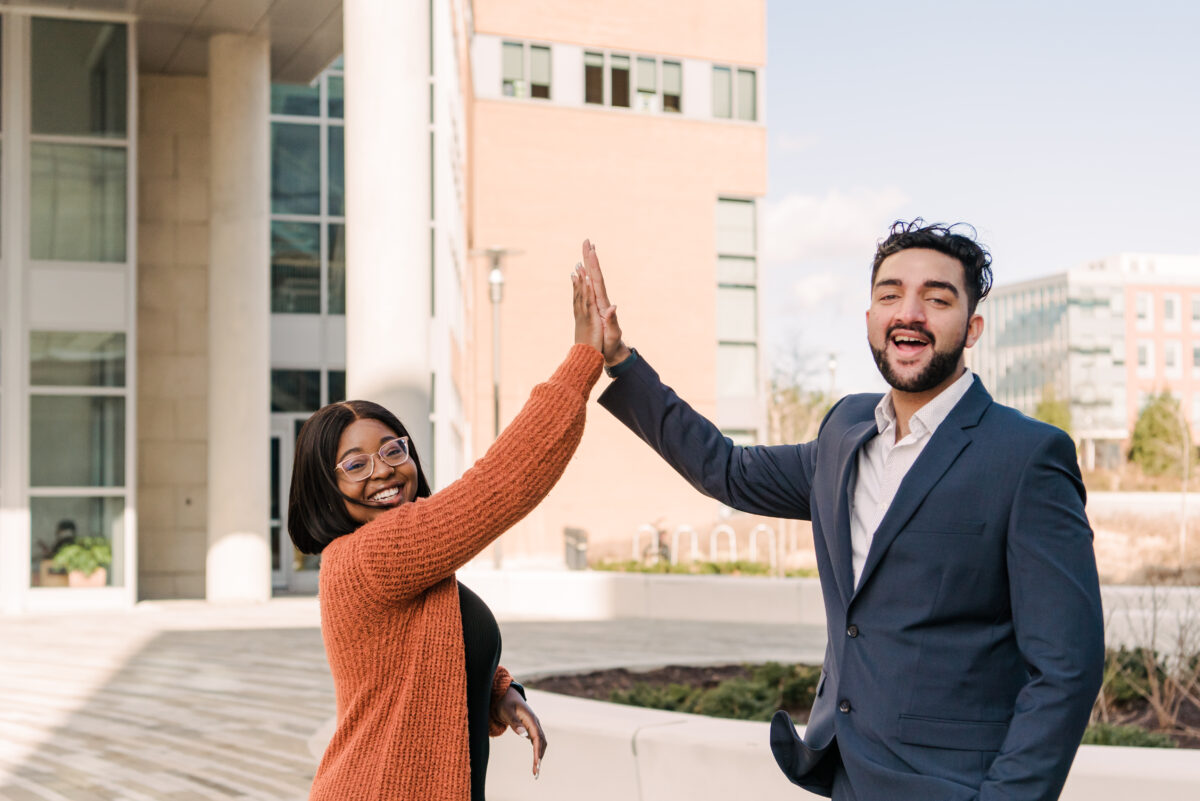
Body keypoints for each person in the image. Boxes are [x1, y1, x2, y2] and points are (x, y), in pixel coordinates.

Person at [581, 224, 1105, 801]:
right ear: (869, 318)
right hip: (847, 776)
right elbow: (725, 470)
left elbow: (1065, 670)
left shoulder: (1027, 455)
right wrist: (620, 360)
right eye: (889, 295)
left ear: (972, 327)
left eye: (936, 298)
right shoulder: (844, 432)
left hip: (957, 788)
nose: (909, 313)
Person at [288, 264, 605, 801]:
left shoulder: (405, 566)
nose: (383, 470)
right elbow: (503, 484)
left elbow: (421, 650)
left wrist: (497, 692)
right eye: (356, 465)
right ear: (325, 488)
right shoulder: (370, 556)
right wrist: (583, 358)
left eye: (393, 450)